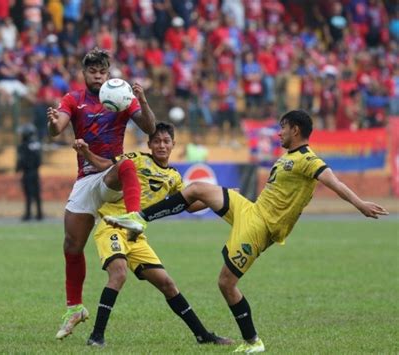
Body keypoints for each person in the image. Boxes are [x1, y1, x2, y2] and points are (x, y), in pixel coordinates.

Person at [104, 110, 389, 353]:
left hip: (260, 227)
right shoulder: (287, 156)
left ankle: (253, 341)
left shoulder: (307, 160)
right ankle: (140, 218)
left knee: (226, 284)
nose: (279, 134)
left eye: (282, 128)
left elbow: (334, 182)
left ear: (296, 130)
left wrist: (360, 204)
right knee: (195, 189)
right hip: (250, 210)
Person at [73, 122, 233, 347]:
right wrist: (86, 152)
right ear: (149, 144)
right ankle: (96, 336)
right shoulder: (136, 159)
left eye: (166, 141)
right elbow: (104, 166)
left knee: (167, 284)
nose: (161, 145)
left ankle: (203, 336)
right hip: (112, 226)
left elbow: (187, 205)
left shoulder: (174, 177)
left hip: (136, 236)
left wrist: (221, 198)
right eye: (156, 141)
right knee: (118, 274)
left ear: (173, 145)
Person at [47, 47, 156, 339]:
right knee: (71, 245)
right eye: (92, 71)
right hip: (86, 178)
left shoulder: (121, 95)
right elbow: (57, 129)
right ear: (84, 74)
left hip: (111, 173)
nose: (98, 75)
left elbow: (150, 127)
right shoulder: (74, 99)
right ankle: (75, 308)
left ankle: (134, 216)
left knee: (127, 164)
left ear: (108, 73)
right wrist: (53, 120)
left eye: (102, 71)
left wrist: (142, 100)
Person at [16, 123, 43, 221]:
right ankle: (39, 214)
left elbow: (21, 160)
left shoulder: (23, 146)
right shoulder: (37, 144)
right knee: (37, 194)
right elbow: (39, 160)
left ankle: (28, 214)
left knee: (28, 194)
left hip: (27, 173)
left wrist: (18, 169)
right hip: (35, 172)